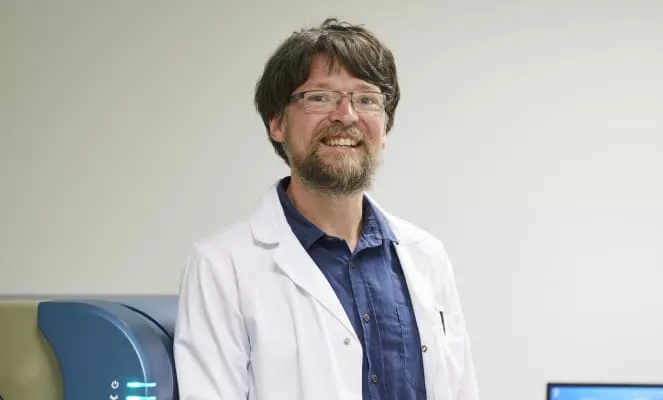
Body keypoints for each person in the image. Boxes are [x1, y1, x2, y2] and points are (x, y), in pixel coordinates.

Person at [172, 17, 480, 400]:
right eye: (320, 97)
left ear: (385, 127)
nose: (346, 115)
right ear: (277, 123)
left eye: (366, 99)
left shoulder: (427, 257)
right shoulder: (222, 266)